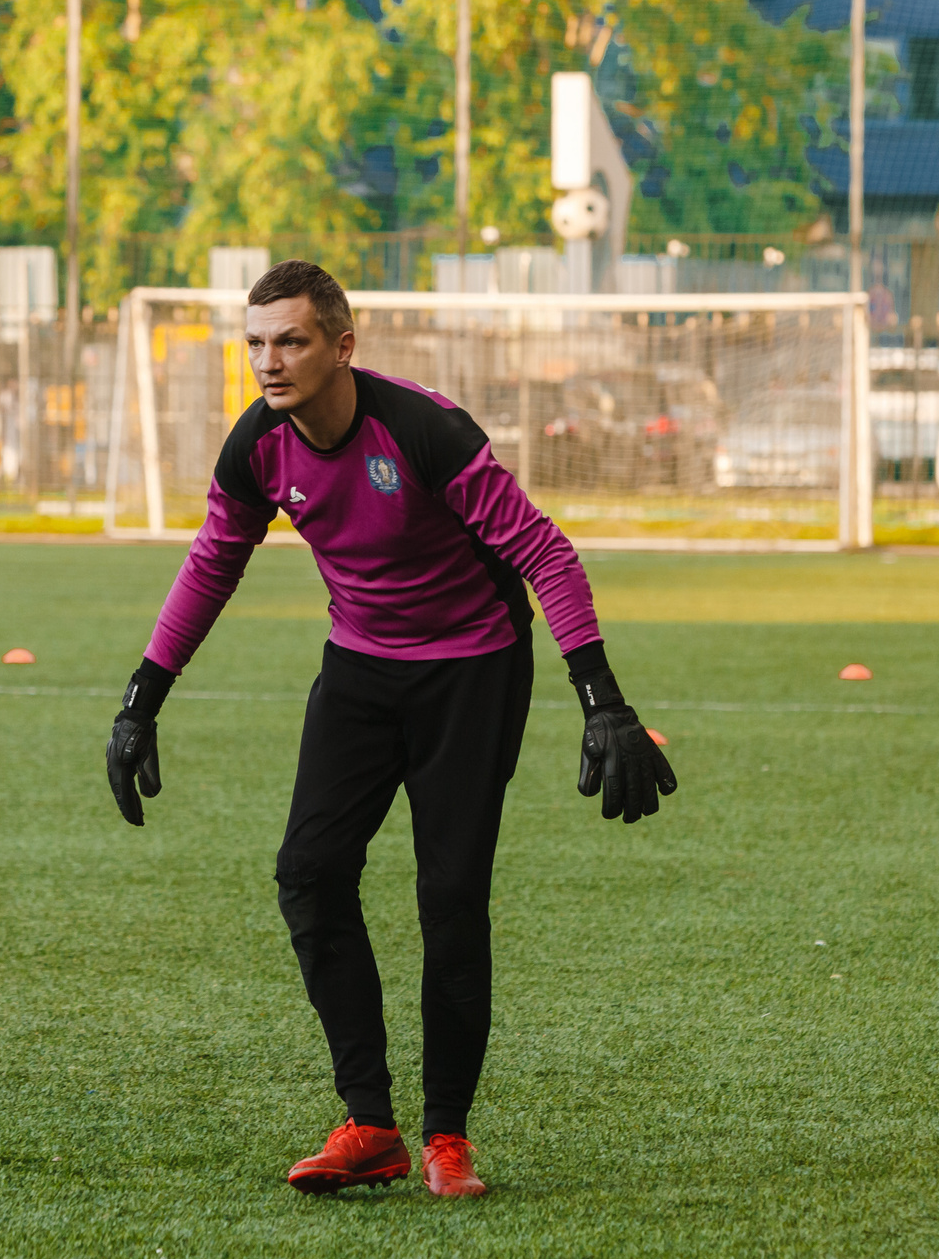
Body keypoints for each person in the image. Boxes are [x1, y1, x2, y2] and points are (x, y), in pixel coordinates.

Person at [105, 260, 677, 1199]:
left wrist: (601, 697)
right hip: (362, 669)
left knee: (450, 898)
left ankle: (449, 1138)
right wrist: (142, 700)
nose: (268, 361)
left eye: (289, 340)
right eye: (254, 343)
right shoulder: (257, 446)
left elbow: (543, 549)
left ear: (341, 346)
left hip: (473, 671)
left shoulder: (423, 428)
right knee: (309, 871)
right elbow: (213, 563)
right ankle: (371, 1123)